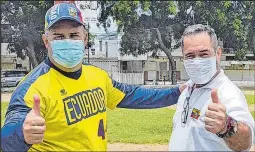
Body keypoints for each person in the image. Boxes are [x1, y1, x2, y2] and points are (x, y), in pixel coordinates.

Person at [1, 3, 186, 151]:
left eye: (74, 35)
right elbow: (6, 138)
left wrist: (177, 92)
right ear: (46, 41)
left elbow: (136, 96)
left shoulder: (97, 76)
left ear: (85, 38)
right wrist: (22, 134)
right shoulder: (32, 87)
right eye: (59, 36)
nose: (68, 41)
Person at [168, 24, 254, 151]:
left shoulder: (227, 93)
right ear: (183, 57)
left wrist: (226, 127)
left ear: (218, 53)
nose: (197, 61)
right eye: (190, 55)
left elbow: (246, 142)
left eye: (204, 54)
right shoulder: (188, 89)